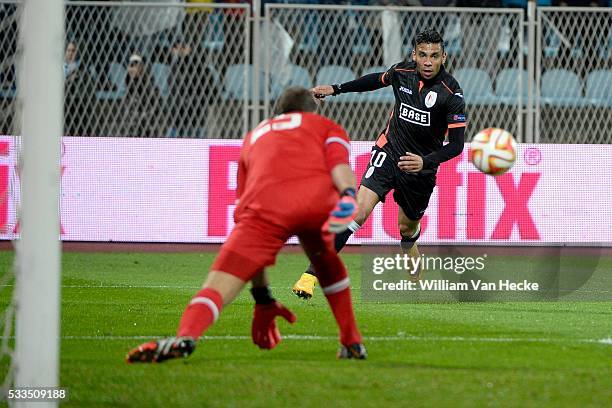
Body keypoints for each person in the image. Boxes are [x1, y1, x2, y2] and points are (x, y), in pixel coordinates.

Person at [126, 86, 367, 363]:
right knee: (326, 260)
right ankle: (352, 342)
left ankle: (186, 336)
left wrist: (262, 298)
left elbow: (246, 213)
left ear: (278, 112)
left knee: (216, 286)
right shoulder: (325, 125)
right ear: (312, 110)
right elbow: (339, 166)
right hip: (315, 202)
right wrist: (348, 194)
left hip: (264, 208)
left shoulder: (255, 136)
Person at [292, 29, 467, 299]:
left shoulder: (451, 94)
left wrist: (424, 162)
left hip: (420, 168)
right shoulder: (402, 73)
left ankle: (410, 243)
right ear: (414, 55)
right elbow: (375, 80)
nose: (428, 61)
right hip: (388, 151)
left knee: (406, 227)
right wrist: (336, 89)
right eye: (423, 55)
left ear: (444, 57)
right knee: (357, 212)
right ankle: (311, 275)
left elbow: (456, 145)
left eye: (434, 56)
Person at [112, 53, 164, 137]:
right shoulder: (127, 87)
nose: (132, 69)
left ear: (142, 67)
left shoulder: (150, 88)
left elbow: (154, 111)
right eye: (131, 66)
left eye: (135, 65)